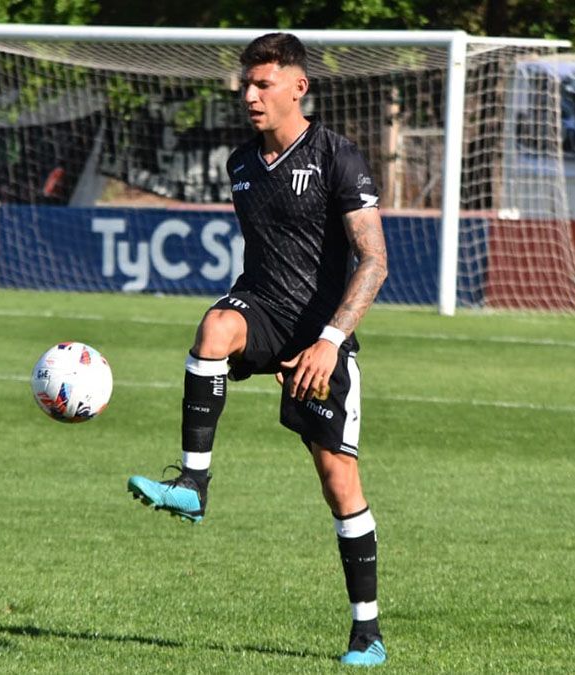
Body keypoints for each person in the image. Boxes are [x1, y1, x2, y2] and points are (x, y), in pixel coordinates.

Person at [127, 32, 390, 667]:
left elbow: (374, 262)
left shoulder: (337, 157)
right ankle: (193, 482)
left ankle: (368, 632)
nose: (249, 96)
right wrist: (268, 349)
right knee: (216, 327)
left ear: (298, 87)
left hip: (321, 336)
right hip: (264, 313)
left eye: (263, 84)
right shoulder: (241, 163)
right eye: (246, 84)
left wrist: (328, 343)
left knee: (338, 481)